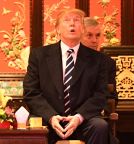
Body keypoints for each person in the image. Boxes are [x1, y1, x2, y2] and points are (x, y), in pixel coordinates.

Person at [23, 8, 110, 144]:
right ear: (57, 29)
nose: (72, 24)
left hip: (82, 120)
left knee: (100, 126)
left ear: (82, 29)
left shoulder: (98, 59)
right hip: (48, 119)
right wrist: (51, 117)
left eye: (76, 21)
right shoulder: (39, 55)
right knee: (33, 127)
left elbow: (101, 94)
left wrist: (79, 117)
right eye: (67, 20)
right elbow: (31, 92)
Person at [81, 17, 118, 101]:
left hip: (96, 110)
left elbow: (112, 96)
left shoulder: (107, 62)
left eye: (97, 35)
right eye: (89, 35)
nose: (94, 40)